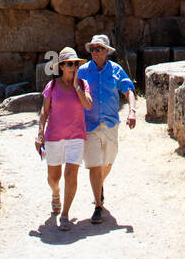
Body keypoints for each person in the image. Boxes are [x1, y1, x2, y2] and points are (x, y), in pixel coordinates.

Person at [77, 34, 136, 224]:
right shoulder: (83, 71)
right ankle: (98, 206)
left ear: (106, 52)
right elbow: (73, 93)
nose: (94, 52)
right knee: (94, 164)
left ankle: (99, 185)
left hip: (110, 124)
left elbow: (128, 90)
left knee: (108, 162)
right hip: (90, 125)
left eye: (98, 49)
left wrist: (132, 111)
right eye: (92, 49)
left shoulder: (116, 70)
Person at [35, 47, 92, 230]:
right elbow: (44, 111)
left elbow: (88, 106)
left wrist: (76, 87)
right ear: (61, 66)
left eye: (75, 64)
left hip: (76, 136)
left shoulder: (82, 85)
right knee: (54, 177)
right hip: (54, 137)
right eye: (69, 64)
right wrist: (39, 133)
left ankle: (65, 213)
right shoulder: (51, 86)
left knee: (71, 174)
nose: (73, 67)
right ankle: (55, 192)